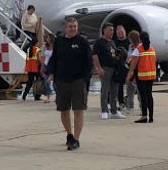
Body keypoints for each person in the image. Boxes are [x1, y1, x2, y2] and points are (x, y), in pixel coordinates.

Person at [48, 17, 92, 151]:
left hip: (78, 80)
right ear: (65, 28)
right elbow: (54, 59)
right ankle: (69, 134)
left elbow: (88, 62)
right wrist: (51, 73)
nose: (73, 28)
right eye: (70, 26)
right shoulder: (59, 41)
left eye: (75, 26)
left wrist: (85, 79)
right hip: (62, 81)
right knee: (64, 110)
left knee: (78, 110)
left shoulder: (83, 42)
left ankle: (76, 139)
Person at [92, 22, 126, 120]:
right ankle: (104, 110)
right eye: (110, 30)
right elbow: (95, 55)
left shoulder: (112, 42)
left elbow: (114, 54)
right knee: (105, 90)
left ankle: (114, 111)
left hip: (114, 69)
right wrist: (98, 68)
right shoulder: (99, 42)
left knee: (114, 90)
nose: (112, 32)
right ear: (104, 30)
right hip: (105, 68)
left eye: (113, 30)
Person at [126, 31, 157, 123]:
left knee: (143, 97)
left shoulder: (138, 49)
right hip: (151, 75)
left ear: (141, 39)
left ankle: (144, 116)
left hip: (142, 76)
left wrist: (129, 73)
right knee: (149, 96)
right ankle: (151, 116)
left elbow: (134, 63)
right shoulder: (151, 49)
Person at [114, 25, 130, 109]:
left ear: (125, 32)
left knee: (131, 85)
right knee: (119, 86)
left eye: (122, 32)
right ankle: (121, 102)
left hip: (128, 67)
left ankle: (128, 99)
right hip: (119, 68)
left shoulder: (129, 42)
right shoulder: (114, 42)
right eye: (119, 33)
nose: (121, 34)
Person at [125, 30, 141, 112]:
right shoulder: (130, 46)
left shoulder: (140, 47)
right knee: (130, 89)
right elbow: (129, 57)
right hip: (130, 68)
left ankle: (142, 106)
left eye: (130, 38)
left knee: (139, 91)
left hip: (138, 70)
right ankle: (129, 106)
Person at [41, 34, 55, 103]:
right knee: (46, 82)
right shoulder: (44, 47)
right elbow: (43, 57)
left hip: (53, 65)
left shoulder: (55, 47)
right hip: (46, 65)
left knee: (55, 83)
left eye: (48, 38)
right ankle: (48, 97)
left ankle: (58, 96)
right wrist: (42, 66)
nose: (47, 39)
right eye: (46, 38)